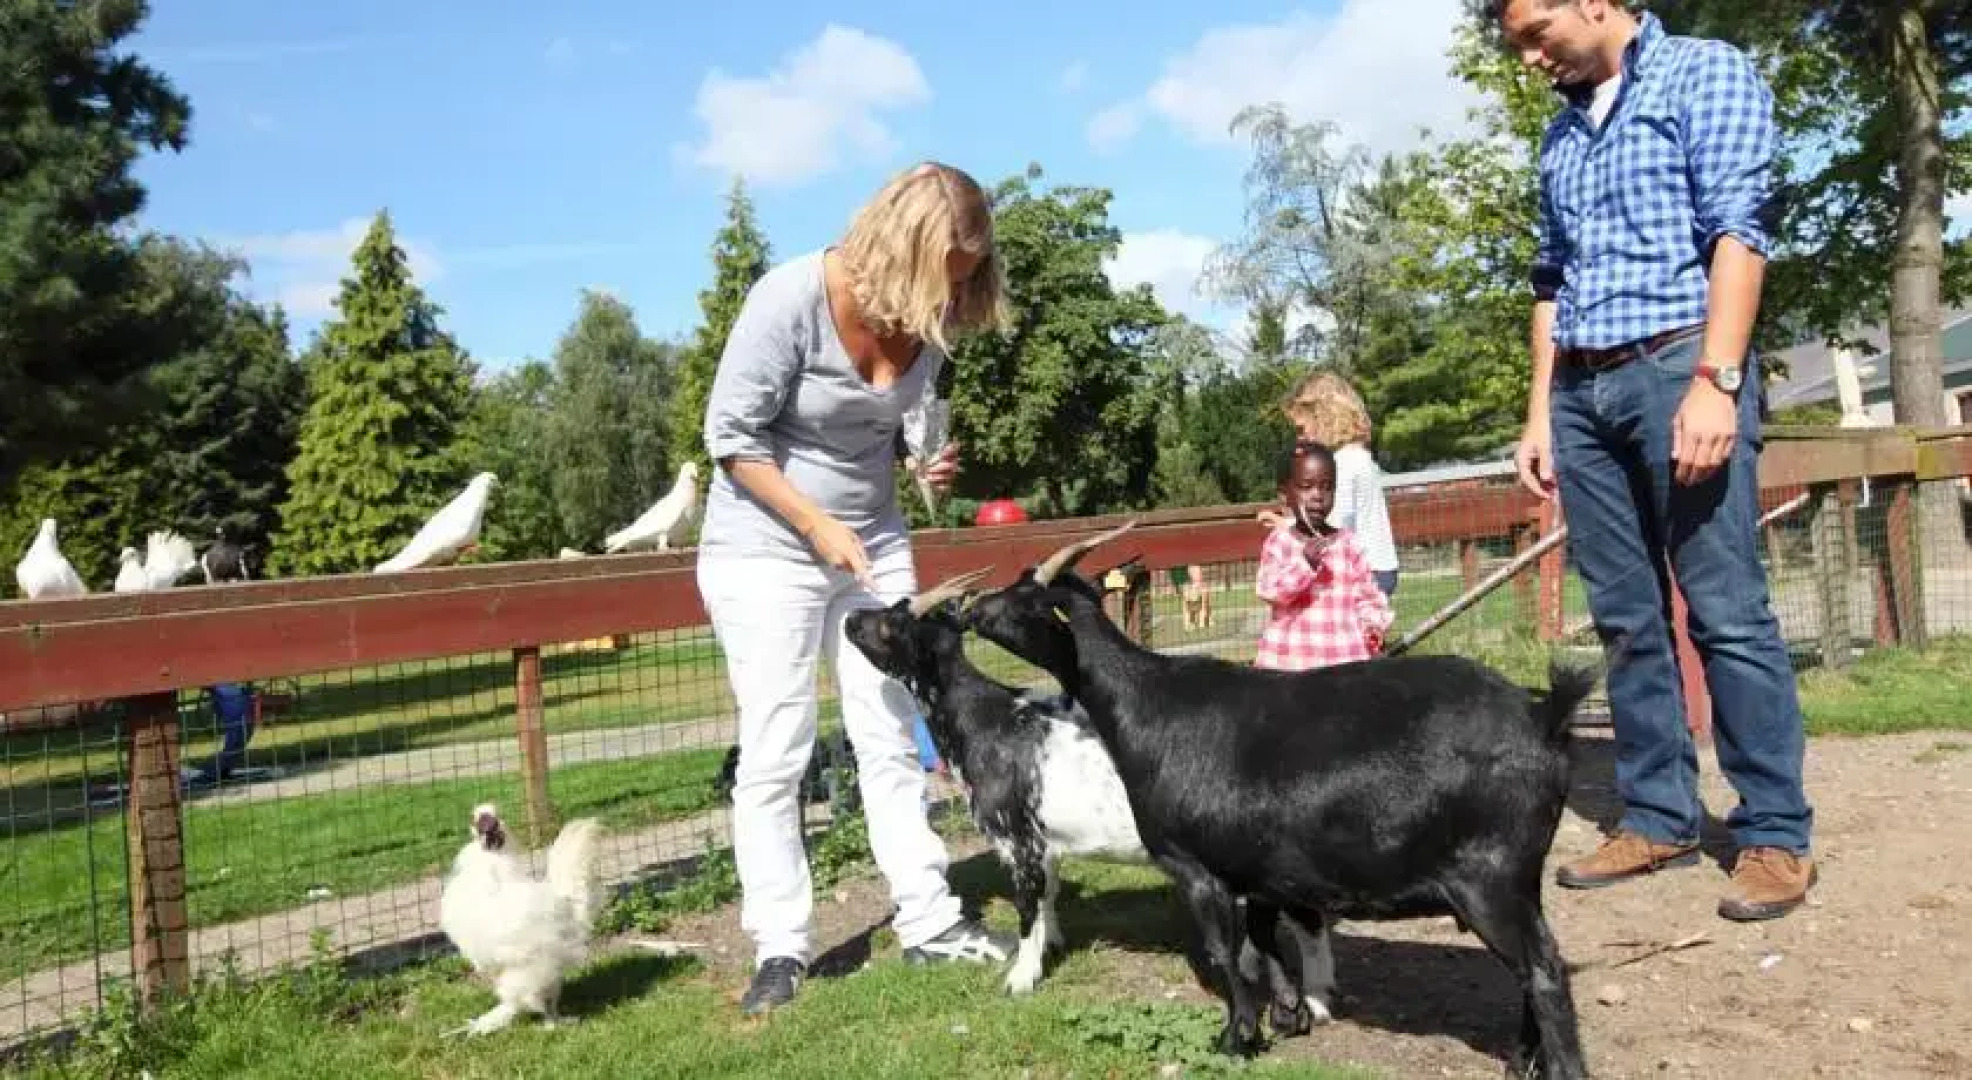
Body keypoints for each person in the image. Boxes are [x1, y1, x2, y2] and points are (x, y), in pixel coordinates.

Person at [1494, 0, 1816, 921]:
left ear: (1592, 2)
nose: (1529, 57)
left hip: (1679, 362)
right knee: (1627, 619)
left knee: (1724, 608)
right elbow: (1551, 282)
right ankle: (1660, 813)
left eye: (1534, 33)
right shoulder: (1560, 137)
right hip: (1582, 393)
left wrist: (1717, 380)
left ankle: (1775, 833)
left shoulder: (1702, 75)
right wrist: (1541, 415)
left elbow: (1739, 233)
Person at [695, 161, 1016, 1016]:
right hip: (767, 548)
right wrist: (815, 526)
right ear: (900, 247)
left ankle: (930, 921)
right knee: (779, 745)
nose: (948, 304)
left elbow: (901, 420)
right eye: (941, 279)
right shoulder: (789, 299)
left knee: (893, 732)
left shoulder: (929, 316)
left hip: (870, 542)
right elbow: (730, 437)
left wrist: (923, 459)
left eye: (961, 284)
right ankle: (781, 945)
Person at [1253, 439, 1394, 672]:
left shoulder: (1348, 543)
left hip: (1344, 661)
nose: (1318, 495)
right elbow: (1269, 589)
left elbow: (1367, 595)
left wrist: (1372, 627)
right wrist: (1304, 566)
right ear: (1284, 494)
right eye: (1306, 487)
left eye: (1327, 487)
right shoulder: (1281, 542)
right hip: (1291, 666)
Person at [1278, 370, 1400, 598]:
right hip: (1377, 567)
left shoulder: (1344, 464)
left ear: (1324, 417)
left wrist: (1287, 526)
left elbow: (1333, 523)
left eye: (1301, 429)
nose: (1300, 438)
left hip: (1364, 571)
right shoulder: (1358, 457)